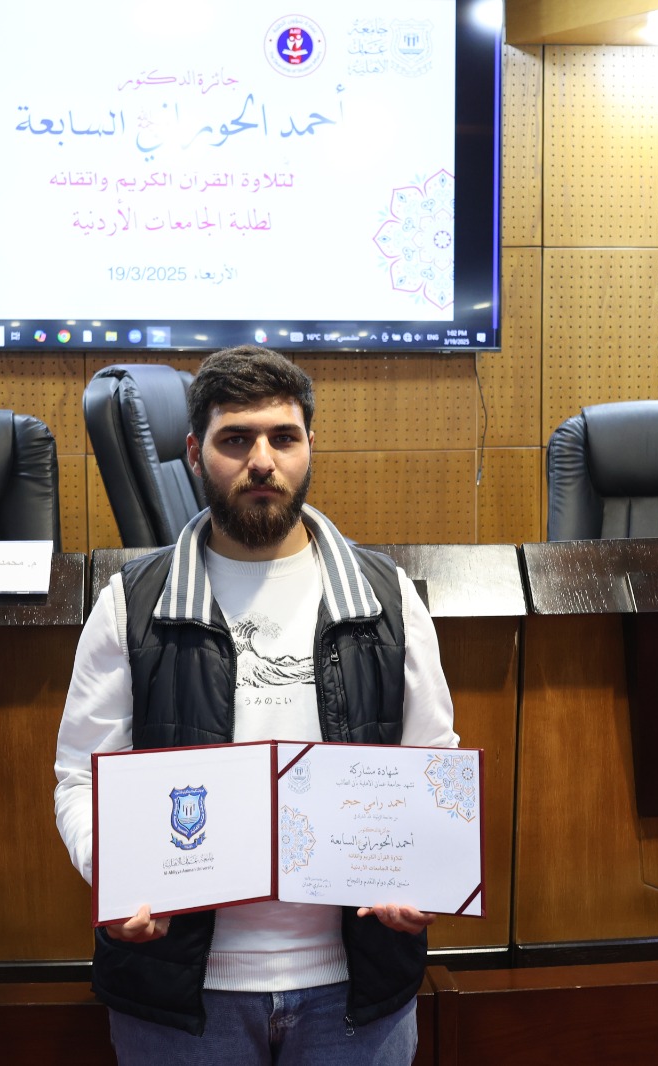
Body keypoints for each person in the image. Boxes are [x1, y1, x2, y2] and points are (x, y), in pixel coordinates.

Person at [53, 345, 457, 1064]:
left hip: (354, 989)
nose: (262, 461)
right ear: (194, 452)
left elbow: (433, 764)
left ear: (310, 446)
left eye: (283, 437)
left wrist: (422, 875)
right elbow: (81, 779)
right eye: (235, 439)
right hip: (184, 996)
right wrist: (114, 875)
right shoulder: (131, 605)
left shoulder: (387, 597)